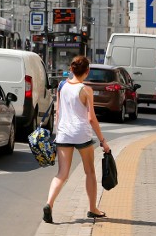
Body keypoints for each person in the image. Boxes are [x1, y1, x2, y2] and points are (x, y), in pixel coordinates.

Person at [43, 55, 110, 224]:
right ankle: (93, 209)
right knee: (89, 171)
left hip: (64, 133)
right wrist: (102, 140)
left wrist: (58, 133)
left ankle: (49, 204)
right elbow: (91, 118)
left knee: (62, 173)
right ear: (87, 71)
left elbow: (58, 112)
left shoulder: (61, 85)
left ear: (71, 69)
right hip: (81, 134)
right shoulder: (86, 89)